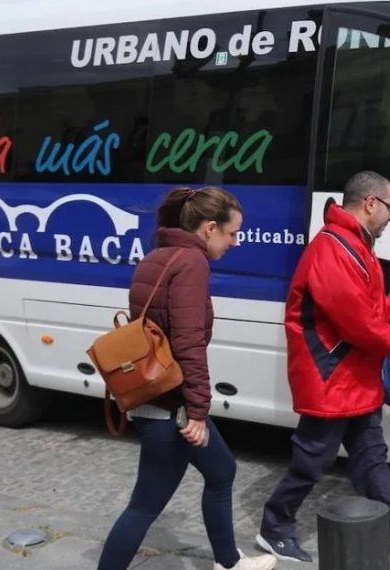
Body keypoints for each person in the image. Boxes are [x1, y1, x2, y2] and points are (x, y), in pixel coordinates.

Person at [256, 171, 390, 562]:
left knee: (369, 455)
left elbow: (368, 303)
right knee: (313, 461)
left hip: (349, 376)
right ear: (371, 203)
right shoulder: (333, 249)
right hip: (331, 376)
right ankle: (274, 527)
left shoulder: (351, 244)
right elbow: (355, 320)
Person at [98, 187, 276, 570]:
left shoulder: (157, 256)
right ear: (210, 228)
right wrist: (197, 412)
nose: (235, 241)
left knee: (221, 470)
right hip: (172, 407)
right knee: (145, 505)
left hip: (160, 394)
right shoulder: (191, 263)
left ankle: (227, 563)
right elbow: (188, 343)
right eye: (231, 233)